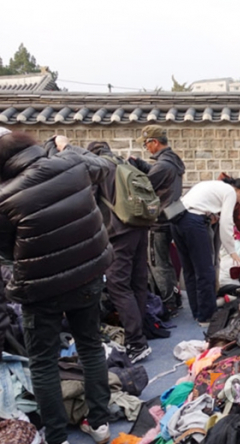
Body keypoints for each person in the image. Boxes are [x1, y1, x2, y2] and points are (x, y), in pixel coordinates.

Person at [0, 129, 113, 444]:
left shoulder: (5, 197)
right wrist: (67, 146)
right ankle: (101, 424)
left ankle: (58, 437)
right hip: (87, 276)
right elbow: (106, 165)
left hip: (40, 290)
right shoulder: (72, 162)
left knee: (43, 361)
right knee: (91, 347)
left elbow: (7, 252)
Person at [88, 141, 152, 364]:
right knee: (138, 281)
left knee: (118, 284)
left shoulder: (98, 167)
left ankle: (136, 342)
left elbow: (90, 203)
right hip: (139, 226)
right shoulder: (124, 164)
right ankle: (141, 334)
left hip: (118, 231)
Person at [170, 178, 240, 325]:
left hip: (177, 219)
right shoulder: (230, 192)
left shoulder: (210, 184)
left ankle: (197, 312)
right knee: (205, 270)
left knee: (189, 270)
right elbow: (226, 222)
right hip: (194, 223)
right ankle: (206, 316)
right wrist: (232, 251)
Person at [130, 125, 185, 313]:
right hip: (173, 215)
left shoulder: (162, 166)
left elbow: (145, 186)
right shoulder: (173, 161)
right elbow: (157, 175)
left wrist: (132, 171)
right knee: (166, 261)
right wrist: (143, 165)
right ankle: (174, 298)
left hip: (159, 221)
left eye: (146, 143)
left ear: (154, 142)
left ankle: (168, 303)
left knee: (158, 263)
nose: (146, 147)